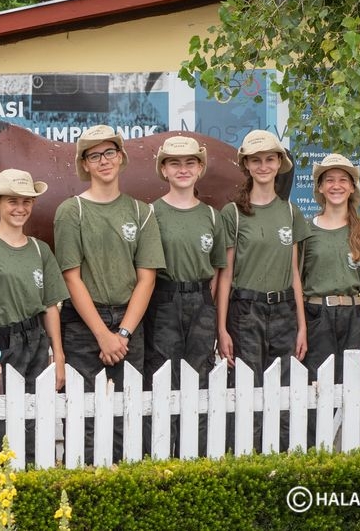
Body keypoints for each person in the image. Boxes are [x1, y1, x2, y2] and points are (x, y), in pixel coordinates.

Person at [54, 124, 165, 464]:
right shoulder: (72, 211)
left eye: (110, 152)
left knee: (129, 415)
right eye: (94, 155)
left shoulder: (140, 212)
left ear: (121, 158)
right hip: (85, 326)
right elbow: (71, 278)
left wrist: (123, 333)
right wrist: (103, 335)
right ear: (84, 164)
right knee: (84, 416)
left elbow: (146, 279)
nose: (104, 161)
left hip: (129, 325)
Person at [0, 168, 68, 464]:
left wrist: (57, 354)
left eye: (26, 201)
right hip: (0, 341)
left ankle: (33, 485)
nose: (20, 208)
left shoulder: (40, 250)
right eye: (12, 201)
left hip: (35, 341)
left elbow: (50, 305)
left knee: (36, 419)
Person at [216, 130, 309, 452]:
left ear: (279, 163)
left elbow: (295, 273)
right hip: (246, 311)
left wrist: (302, 327)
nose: (264, 165)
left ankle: (282, 461)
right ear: (246, 165)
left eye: (270, 159)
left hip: (283, 310)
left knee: (284, 391)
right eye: (256, 160)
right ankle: (245, 461)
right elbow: (225, 276)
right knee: (246, 390)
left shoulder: (291, 213)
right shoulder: (234, 214)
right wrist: (222, 328)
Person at [143, 136, 226, 457]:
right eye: (175, 163)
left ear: (200, 168)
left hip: (201, 301)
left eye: (190, 162)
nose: (183, 169)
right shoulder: (152, 213)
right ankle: (160, 456)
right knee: (163, 378)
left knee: (199, 379)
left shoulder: (211, 216)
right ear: (163, 169)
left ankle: (196, 457)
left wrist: (208, 310)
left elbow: (218, 270)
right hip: (163, 301)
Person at [301, 154, 360, 382]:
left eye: (343, 180)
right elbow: (296, 284)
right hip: (316, 317)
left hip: (354, 317)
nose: (336, 185)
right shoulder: (306, 231)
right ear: (320, 187)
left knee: (352, 387)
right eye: (329, 180)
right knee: (318, 387)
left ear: (351, 187)